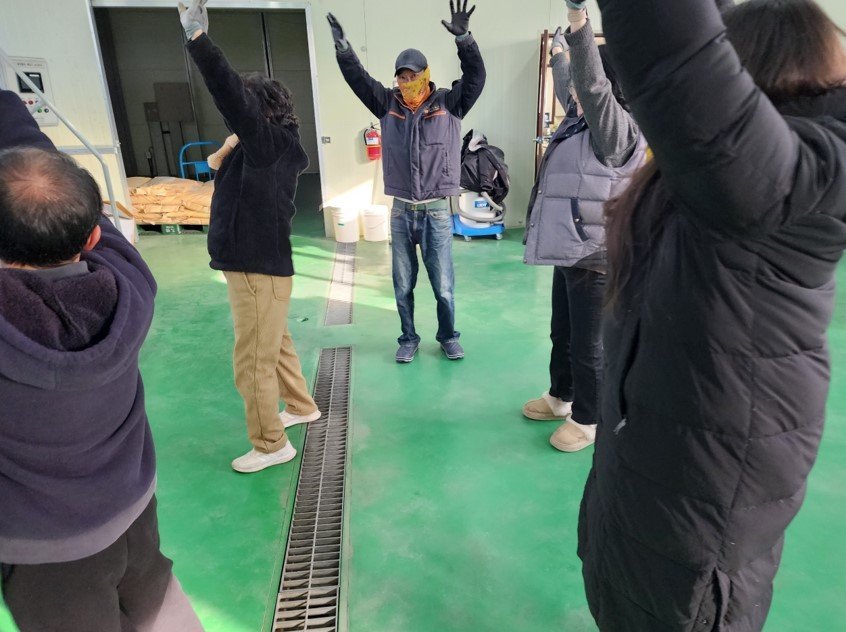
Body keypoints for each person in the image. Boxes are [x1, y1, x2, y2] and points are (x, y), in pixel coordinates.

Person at [578, 0, 846, 629]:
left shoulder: (800, 177)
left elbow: (675, 50)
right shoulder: (723, 176)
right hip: (656, 487)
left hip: (697, 534)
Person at [0, 90, 203, 631]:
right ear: (93, 235)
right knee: (155, 606)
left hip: (49, 550)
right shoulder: (131, 284)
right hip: (132, 507)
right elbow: (48, 174)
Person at [179, 0, 321, 473]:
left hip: (255, 266)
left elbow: (230, 96)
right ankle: (301, 405)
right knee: (275, 343)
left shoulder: (266, 144)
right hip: (260, 266)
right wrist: (230, 143)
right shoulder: (262, 146)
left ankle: (270, 444)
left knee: (252, 361)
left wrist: (198, 39)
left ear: (258, 113)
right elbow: (217, 161)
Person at [328, 0, 486, 363]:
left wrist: (464, 40)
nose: (406, 82)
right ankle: (408, 338)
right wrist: (344, 50)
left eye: (412, 75)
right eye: (401, 76)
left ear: (425, 74)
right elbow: (359, 80)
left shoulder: (449, 103)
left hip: (436, 213)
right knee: (402, 285)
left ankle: (448, 336)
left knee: (443, 286)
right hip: (401, 213)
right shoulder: (388, 104)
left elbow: (476, 77)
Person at [522, 2, 646, 452]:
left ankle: (589, 418)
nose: (572, 91)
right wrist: (559, 52)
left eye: (584, 86)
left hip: (595, 255)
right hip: (569, 249)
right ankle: (561, 395)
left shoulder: (617, 130)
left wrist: (578, 24)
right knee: (563, 332)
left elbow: (591, 87)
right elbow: (572, 83)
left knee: (589, 345)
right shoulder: (578, 120)